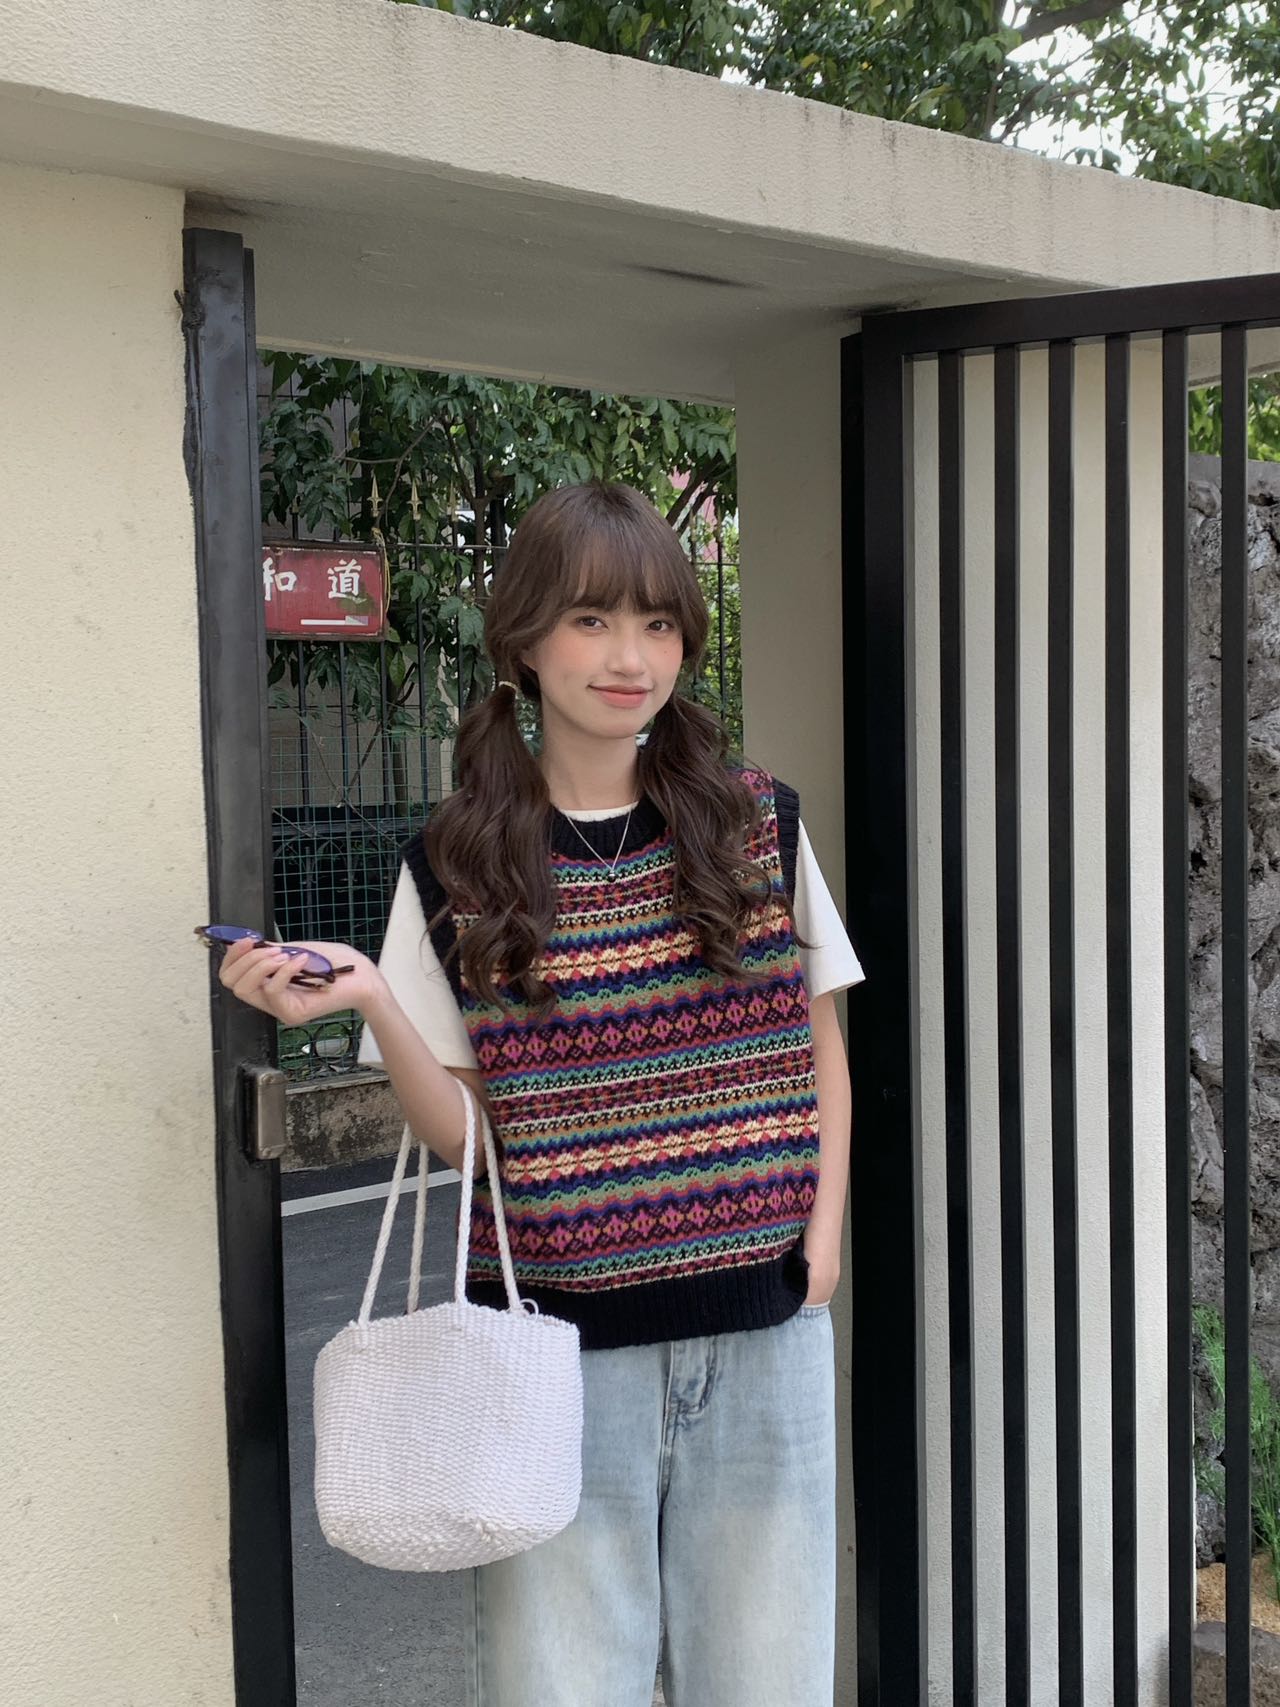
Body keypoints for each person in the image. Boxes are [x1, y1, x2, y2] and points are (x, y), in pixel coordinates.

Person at [217, 479, 865, 1707]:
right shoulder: (453, 860)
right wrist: (373, 999)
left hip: (763, 1337)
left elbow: (818, 1047)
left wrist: (819, 1251)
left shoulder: (754, 822)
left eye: (657, 624)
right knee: (561, 1686)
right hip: (556, 1354)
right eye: (590, 620)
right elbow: (468, 1135)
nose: (630, 658)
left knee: (768, 1683)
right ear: (522, 639)